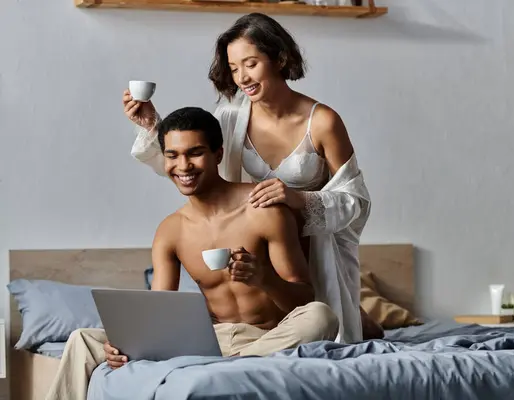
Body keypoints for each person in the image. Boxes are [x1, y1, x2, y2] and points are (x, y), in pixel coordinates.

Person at [45, 107, 339, 400]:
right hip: (204, 342)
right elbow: (159, 313)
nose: (183, 166)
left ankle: (221, 366)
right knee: (82, 339)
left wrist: (263, 279)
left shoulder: (263, 210)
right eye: (172, 155)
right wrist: (120, 346)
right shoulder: (171, 231)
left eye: (195, 153)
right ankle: (219, 364)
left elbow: (304, 299)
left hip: (267, 337)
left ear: (218, 155)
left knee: (321, 316)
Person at [123, 12, 380, 343]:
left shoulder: (323, 122)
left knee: (329, 327)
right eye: (233, 68)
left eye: (250, 63)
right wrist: (150, 125)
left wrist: (297, 197)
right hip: (257, 251)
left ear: (280, 58)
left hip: (313, 256)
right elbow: (189, 163)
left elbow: (357, 201)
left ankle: (363, 319)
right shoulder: (230, 119)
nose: (241, 77)